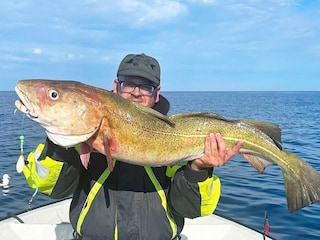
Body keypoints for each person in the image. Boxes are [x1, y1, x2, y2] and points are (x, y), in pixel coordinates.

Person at [23, 53, 243, 240]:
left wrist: (198, 170)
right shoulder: (83, 136)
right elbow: (53, 189)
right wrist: (60, 142)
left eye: (146, 87)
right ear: (115, 87)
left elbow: (191, 210)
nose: (136, 92)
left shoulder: (179, 136)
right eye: (128, 84)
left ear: (157, 94)